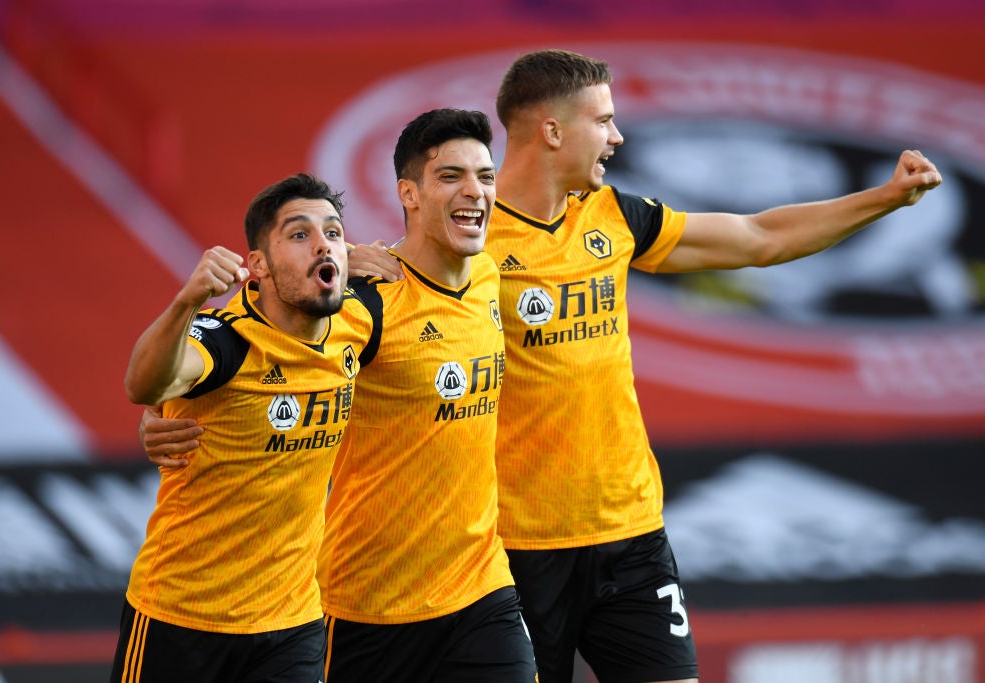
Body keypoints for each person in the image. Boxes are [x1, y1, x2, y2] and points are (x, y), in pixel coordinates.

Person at [144, 51, 944, 683]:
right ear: (554, 131)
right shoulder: (435, 260)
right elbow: (286, 332)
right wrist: (174, 407)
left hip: (628, 532)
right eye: (604, 120)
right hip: (513, 546)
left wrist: (882, 198)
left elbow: (758, 238)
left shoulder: (614, 217)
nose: (619, 136)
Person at [143, 109, 538, 683]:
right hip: (366, 602)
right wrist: (160, 410)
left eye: (485, 175)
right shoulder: (363, 303)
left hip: (482, 588)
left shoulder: (489, 277)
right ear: (410, 193)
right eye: (451, 176)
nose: (475, 191)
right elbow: (248, 344)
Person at [111, 173, 365, 683]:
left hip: (291, 623)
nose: (322, 244)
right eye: (299, 234)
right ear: (258, 267)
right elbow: (143, 383)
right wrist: (186, 302)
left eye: (333, 233)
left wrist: (393, 257)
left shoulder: (359, 324)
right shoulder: (226, 341)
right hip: (180, 617)